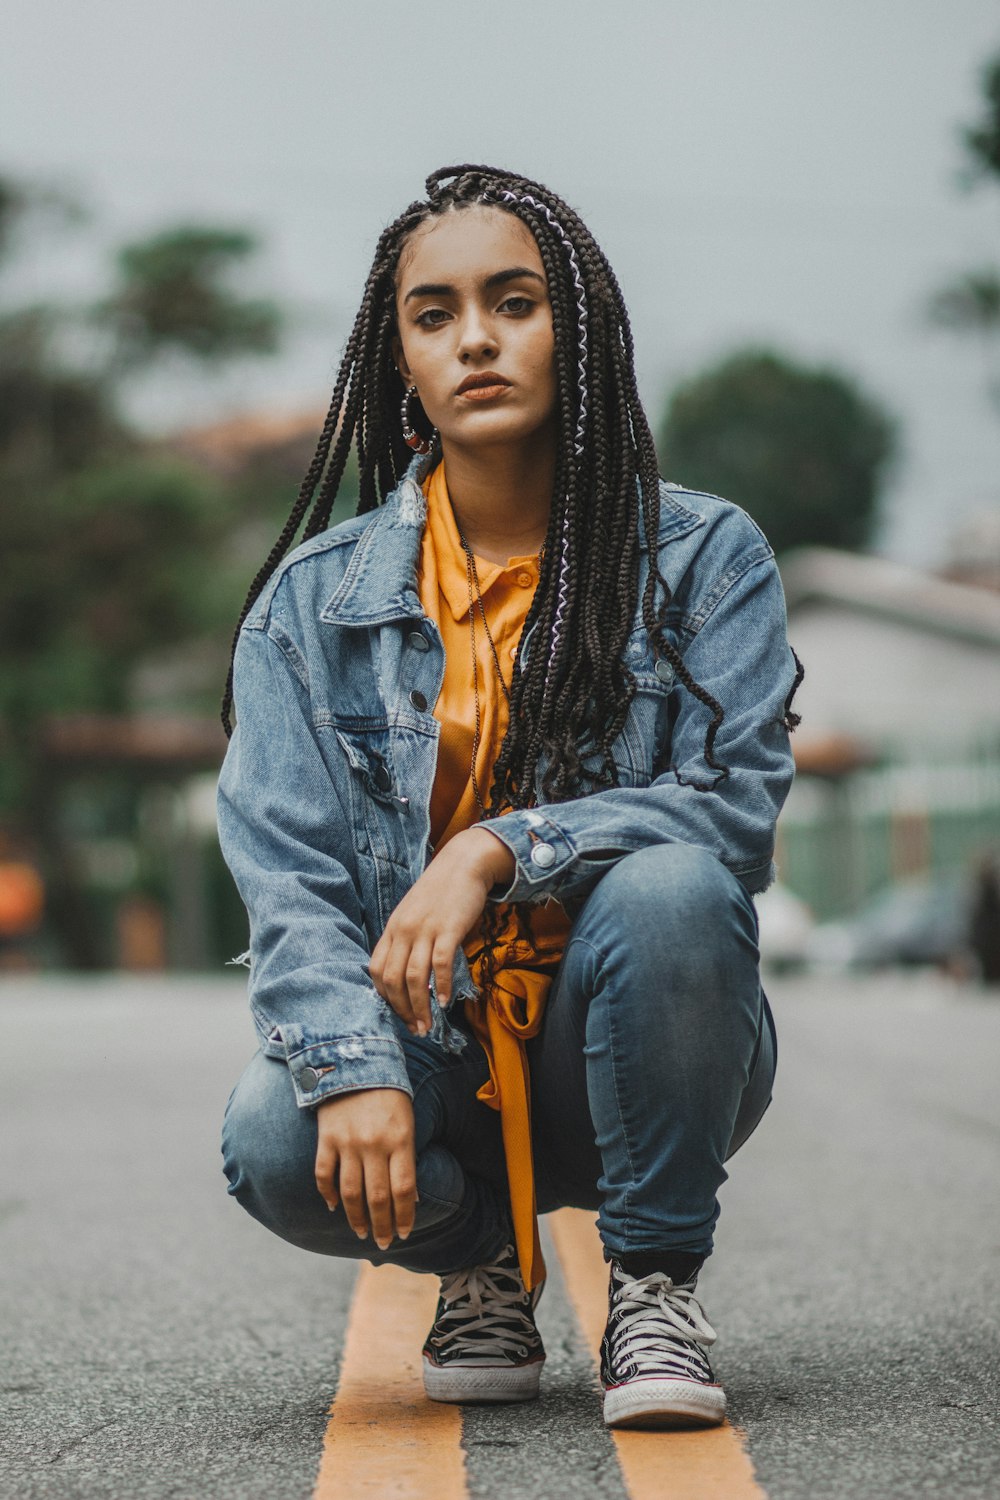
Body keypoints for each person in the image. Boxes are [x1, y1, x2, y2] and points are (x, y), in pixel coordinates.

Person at [217, 164, 802, 1431]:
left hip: (638, 1043)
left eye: (515, 302)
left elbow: (733, 808)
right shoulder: (311, 607)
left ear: (575, 329)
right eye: (434, 315)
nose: (475, 337)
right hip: (434, 1051)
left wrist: (496, 846)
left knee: (670, 886)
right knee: (275, 1130)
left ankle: (652, 1276)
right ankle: (482, 1256)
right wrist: (350, 1067)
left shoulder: (704, 558)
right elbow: (289, 881)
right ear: (401, 361)